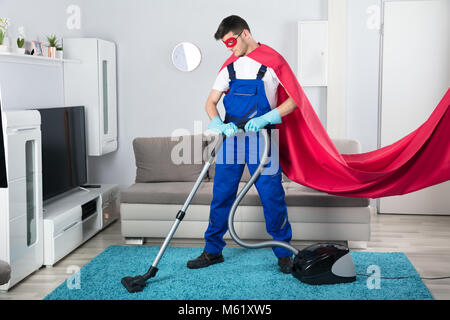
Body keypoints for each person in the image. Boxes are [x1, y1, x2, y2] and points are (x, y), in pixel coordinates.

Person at [187, 15, 298, 274]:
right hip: (231, 139)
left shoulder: (273, 62)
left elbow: (294, 100)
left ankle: (284, 254)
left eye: (231, 42)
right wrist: (218, 125)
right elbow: (210, 103)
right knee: (222, 193)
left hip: (263, 138)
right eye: (225, 45)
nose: (230, 48)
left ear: (245, 33)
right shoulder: (229, 67)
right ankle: (212, 250)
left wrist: (266, 119)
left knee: (271, 195)